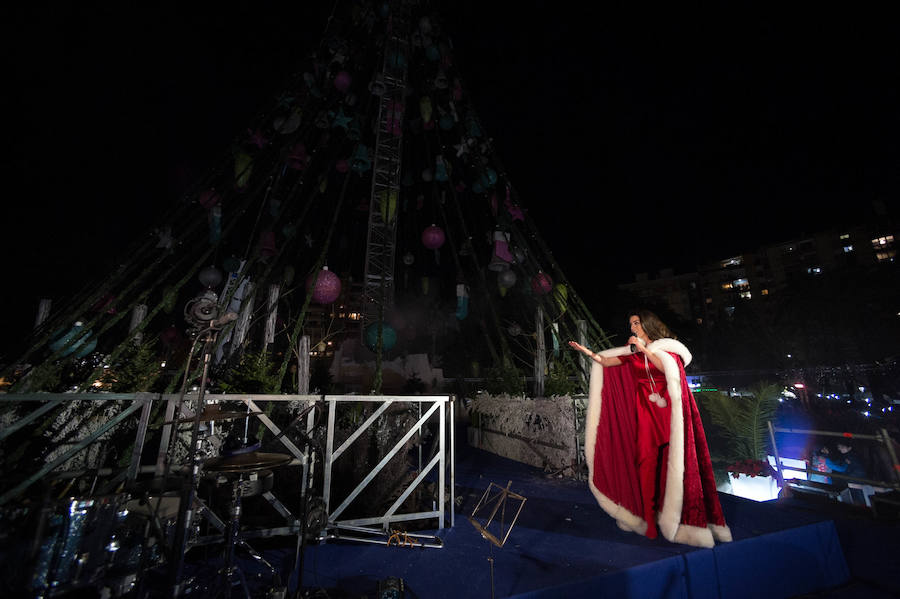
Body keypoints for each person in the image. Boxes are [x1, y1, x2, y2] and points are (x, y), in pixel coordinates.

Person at [568, 310, 732, 548]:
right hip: (644, 414)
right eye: (631, 323)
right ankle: (649, 520)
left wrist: (643, 349)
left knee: (672, 463)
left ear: (647, 324)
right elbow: (606, 362)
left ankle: (676, 518)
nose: (633, 327)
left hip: (666, 414)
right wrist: (586, 352)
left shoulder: (667, 349)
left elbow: (666, 369)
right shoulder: (633, 351)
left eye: (636, 322)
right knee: (645, 464)